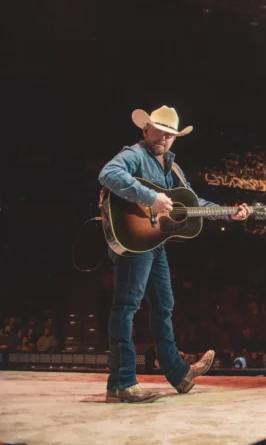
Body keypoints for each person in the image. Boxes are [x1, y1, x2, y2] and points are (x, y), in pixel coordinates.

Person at [99, 105, 250, 403]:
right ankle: (123, 382)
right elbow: (109, 174)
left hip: (155, 245)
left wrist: (229, 213)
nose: (164, 138)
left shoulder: (173, 167)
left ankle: (179, 373)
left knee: (164, 306)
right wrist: (151, 197)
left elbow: (192, 202)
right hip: (135, 241)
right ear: (146, 130)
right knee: (127, 306)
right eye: (159, 131)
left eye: (170, 135)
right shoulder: (135, 154)